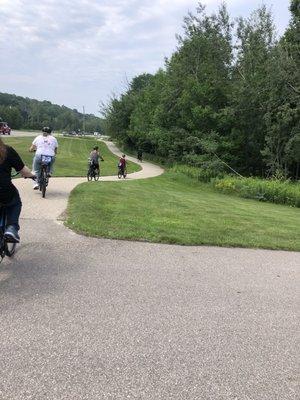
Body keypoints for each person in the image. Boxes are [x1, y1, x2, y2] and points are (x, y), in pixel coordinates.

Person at [0, 138, 35, 242]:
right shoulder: (6, 150)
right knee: (15, 203)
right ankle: (12, 228)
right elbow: (24, 171)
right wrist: (32, 175)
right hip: (3, 191)